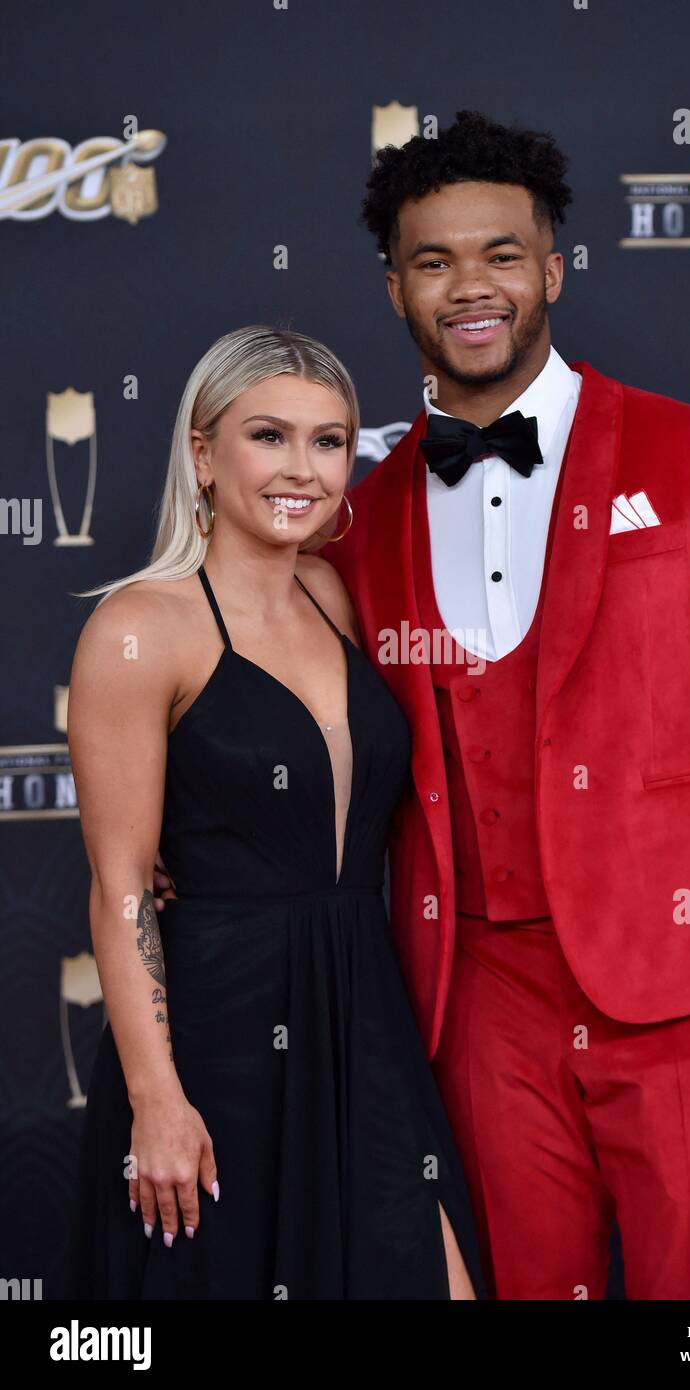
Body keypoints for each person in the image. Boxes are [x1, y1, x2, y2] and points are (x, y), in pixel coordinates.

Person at [157, 111, 690, 1301]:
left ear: (553, 272)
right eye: (433, 261)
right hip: (473, 993)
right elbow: (272, 693)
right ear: (395, 290)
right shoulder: (358, 522)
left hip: (686, 980)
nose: (469, 287)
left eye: (500, 254)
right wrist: (202, 848)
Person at [64, 325, 487, 1300]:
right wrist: (157, 1098)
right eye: (269, 436)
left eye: (328, 441)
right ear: (203, 455)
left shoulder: (333, 595)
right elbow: (121, 889)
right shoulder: (139, 628)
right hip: (219, 1034)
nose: (304, 469)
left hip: (362, 1014)